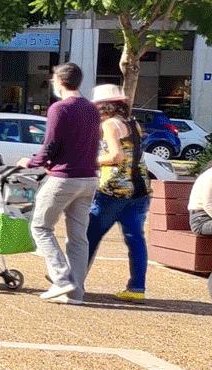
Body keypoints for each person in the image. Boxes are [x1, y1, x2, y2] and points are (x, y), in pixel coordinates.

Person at [18, 64, 101, 305]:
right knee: (78, 237)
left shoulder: (59, 108)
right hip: (89, 178)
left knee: (41, 227)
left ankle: (62, 278)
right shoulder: (91, 109)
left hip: (64, 178)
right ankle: (76, 293)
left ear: (59, 81)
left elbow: (50, 144)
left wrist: (32, 162)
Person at [83, 83, 151, 303]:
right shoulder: (134, 124)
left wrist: (90, 161)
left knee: (90, 235)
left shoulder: (111, 124)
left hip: (114, 191)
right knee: (135, 239)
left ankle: (72, 277)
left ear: (104, 106)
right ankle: (137, 287)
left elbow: (116, 156)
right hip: (140, 190)